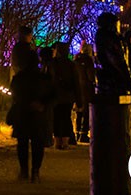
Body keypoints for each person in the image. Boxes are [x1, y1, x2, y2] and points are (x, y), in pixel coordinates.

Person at [8, 46, 54, 183]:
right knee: (37, 144)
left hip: (23, 114)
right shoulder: (43, 78)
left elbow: (14, 95)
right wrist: (42, 104)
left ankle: (24, 171)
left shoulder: (18, 78)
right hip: (38, 115)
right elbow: (52, 94)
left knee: (22, 144)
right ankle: (35, 171)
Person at [49, 41, 81, 149]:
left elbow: (48, 79)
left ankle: (57, 141)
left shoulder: (53, 64)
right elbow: (76, 82)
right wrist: (79, 99)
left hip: (55, 95)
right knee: (66, 118)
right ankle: (65, 142)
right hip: (68, 96)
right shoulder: (71, 65)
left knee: (56, 118)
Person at [94, 12, 131, 96]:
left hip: (105, 79)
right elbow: (118, 60)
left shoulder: (99, 36)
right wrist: (127, 78)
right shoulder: (112, 38)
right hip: (115, 80)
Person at [74, 45, 96, 143]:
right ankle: (83, 133)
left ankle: (77, 132)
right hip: (87, 88)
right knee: (86, 112)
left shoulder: (75, 62)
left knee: (79, 110)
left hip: (77, 88)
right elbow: (91, 76)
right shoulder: (88, 61)